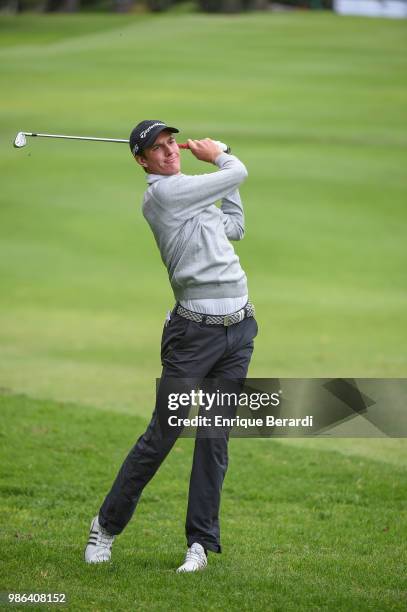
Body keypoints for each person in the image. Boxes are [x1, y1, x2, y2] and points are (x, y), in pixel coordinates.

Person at [84, 120, 258, 573]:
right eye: (156, 150)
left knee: (214, 438)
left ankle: (200, 544)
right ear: (142, 161)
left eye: (170, 145)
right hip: (193, 336)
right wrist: (221, 153)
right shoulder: (162, 197)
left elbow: (235, 225)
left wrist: (219, 163)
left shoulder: (191, 193)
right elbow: (236, 173)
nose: (168, 153)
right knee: (165, 433)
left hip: (239, 329)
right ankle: (105, 526)